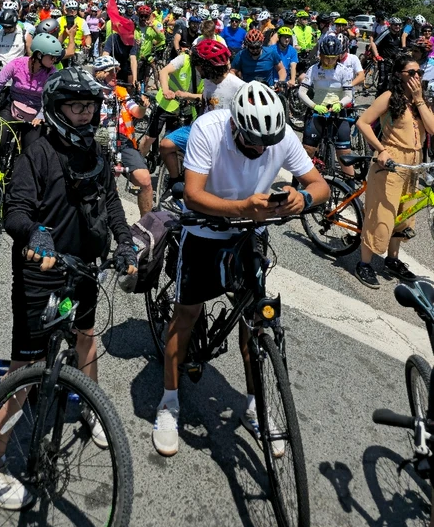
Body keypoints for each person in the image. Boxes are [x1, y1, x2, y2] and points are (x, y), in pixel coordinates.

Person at [0, 67, 138, 509]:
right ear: (56, 108)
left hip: (84, 267)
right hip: (41, 271)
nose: (85, 114)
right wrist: (35, 234)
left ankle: (92, 407)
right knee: (24, 368)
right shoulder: (38, 151)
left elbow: (110, 202)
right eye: (76, 106)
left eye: (90, 106)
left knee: (87, 337)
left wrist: (124, 242)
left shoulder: (98, 153)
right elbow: (14, 209)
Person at [152, 80, 329, 457]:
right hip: (204, 229)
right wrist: (245, 208)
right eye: (253, 142)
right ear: (235, 125)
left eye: (269, 142)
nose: (263, 149)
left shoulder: (278, 134)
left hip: (249, 233)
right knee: (186, 315)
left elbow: (319, 184)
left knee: (257, 321)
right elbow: (194, 194)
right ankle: (168, 402)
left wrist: (304, 196)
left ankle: (256, 405)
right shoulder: (210, 128)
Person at [354, 53, 434, 288]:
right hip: (390, 161)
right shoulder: (389, 97)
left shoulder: (420, 103)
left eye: (419, 73)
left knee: (404, 214)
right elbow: (362, 122)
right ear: (399, 75)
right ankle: (365, 263)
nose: (417, 77)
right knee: (381, 213)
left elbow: (431, 129)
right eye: (411, 73)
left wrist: (419, 99)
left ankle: (393, 259)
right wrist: (380, 150)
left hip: (413, 161)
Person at [0, 33, 64, 198]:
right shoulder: (17, 64)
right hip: (12, 106)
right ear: (38, 55)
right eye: (51, 57)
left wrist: (42, 115)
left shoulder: (51, 72)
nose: (54, 61)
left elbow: (50, 97)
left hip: (36, 113)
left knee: (32, 153)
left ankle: (24, 191)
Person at [159, 40, 241, 186]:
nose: (196, 69)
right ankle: (175, 179)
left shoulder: (238, 87)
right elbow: (206, 101)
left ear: (207, 67)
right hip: (201, 130)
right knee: (165, 145)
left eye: (198, 66)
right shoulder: (209, 81)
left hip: (223, 139)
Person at [93, 54, 153, 214]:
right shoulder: (91, 92)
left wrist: (142, 105)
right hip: (97, 142)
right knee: (107, 185)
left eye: (116, 72)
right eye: (110, 72)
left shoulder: (120, 92)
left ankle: (145, 225)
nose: (115, 76)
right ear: (99, 74)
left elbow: (137, 113)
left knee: (144, 179)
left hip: (122, 141)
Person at [298, 34, 355, 177]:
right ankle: (297, 184)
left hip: (337, 112)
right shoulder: (314, 69)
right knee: (307, 151)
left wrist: (339, 104)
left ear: (339, 56)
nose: (330, 60)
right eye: (326, 57)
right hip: (317, 112)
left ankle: (351, 190)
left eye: (333, 57)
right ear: (321, 55)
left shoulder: (344, 70)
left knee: (344, 154)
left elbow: (349, 96)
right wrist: (314, 106)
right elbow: (302, 92)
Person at [139, 46, 204, 159]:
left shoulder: (206, 73)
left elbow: (205, 95)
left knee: (175, 143)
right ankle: (138, 167)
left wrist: (188, 96)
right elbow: (164, 72)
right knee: (149, 138)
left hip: (186, 109)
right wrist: (166, 90)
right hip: (166, 104)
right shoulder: (184, 59)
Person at [370, 16, 403, 96]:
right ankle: (377, 100)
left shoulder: (398, 35)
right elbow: (373, 43)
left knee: (393, 82)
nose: (397, 26)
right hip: (384, 61)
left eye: (399, 25)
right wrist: (377, 56)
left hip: (394, 62)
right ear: (391, 25)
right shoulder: (386, 33)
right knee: (382, 82)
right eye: (395, 25)